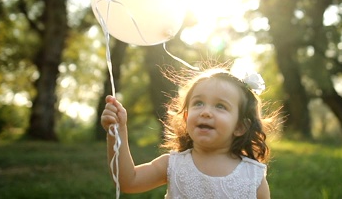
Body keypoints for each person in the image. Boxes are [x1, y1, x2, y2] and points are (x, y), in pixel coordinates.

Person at [100, 66, 277, 198]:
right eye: (198, 103)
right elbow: (128, 181)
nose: (205, 112)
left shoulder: (252, 176)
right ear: (186, 117)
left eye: (220, 106)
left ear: (240, 126)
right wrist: (117, 131)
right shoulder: (173, 164)